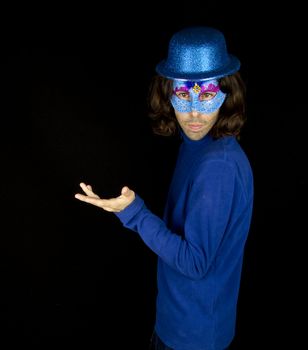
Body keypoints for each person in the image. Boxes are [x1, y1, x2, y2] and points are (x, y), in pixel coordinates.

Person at [75, 26, 254, 350]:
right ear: (168, 93)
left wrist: (134, 213)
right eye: (184, 96)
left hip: (194, 338)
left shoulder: (218, 168)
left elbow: (195, 263)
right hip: (180, 322)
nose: (195, 113)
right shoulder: (199, 145)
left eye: (208, 95)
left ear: (228, 93)